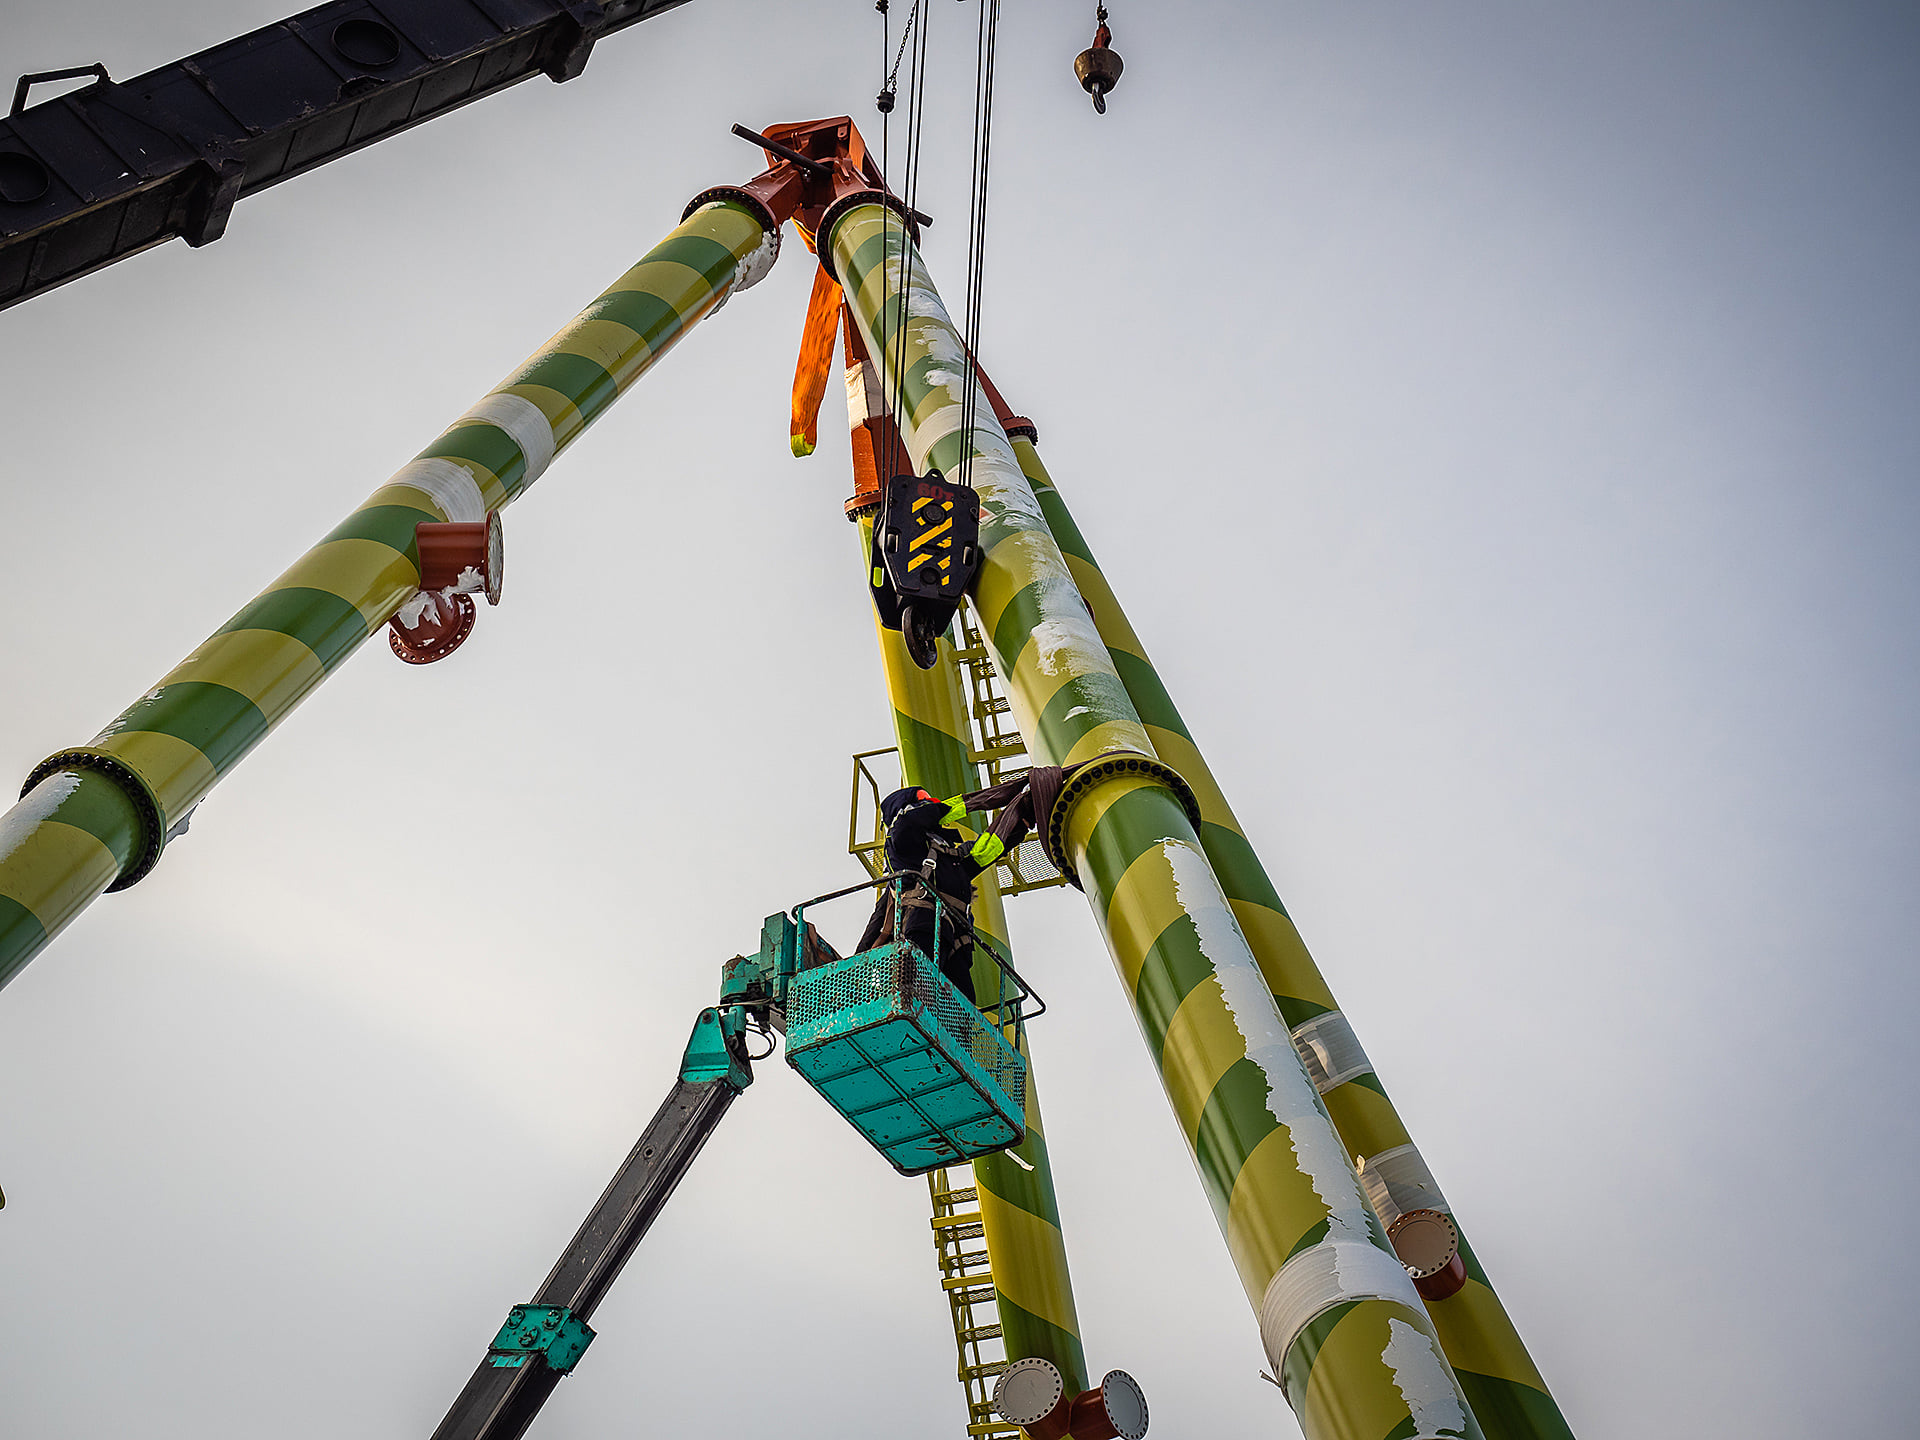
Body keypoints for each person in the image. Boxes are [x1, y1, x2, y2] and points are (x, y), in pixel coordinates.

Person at [859, 786, 1031, 1004]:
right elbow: (907, 823)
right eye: (924, 802)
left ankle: (956, 1033)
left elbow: (988, 847)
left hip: (955, 942)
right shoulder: (902, 845)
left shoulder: (951, 858)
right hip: (922, 928)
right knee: (918, 990)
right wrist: (955, 806)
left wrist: (1021, 817)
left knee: (963, 1004)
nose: (931, 803)